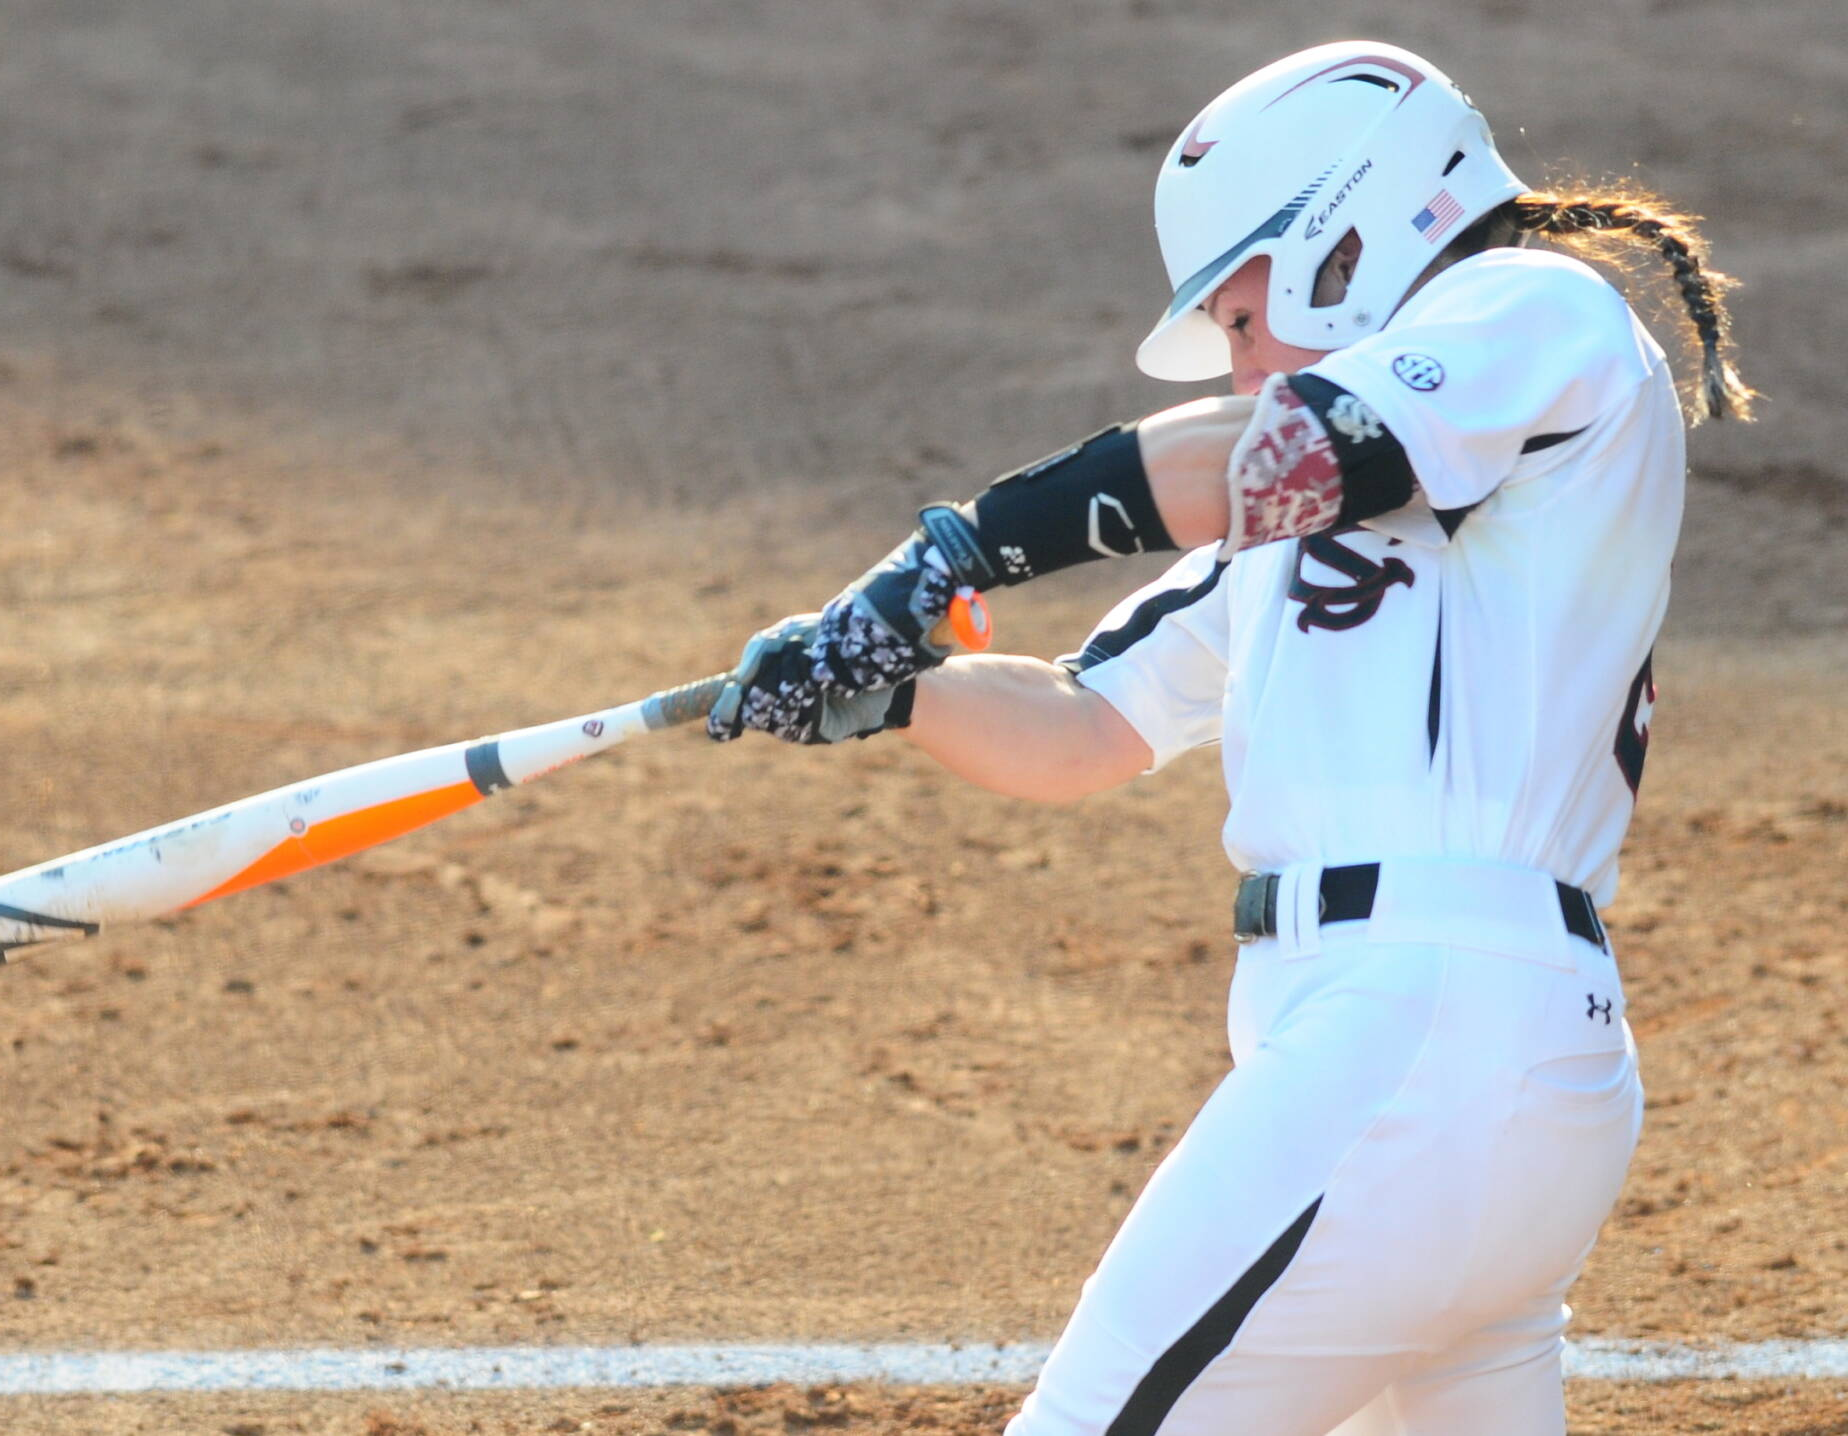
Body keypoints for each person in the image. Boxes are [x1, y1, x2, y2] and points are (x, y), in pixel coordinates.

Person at [705, 40, 1753, 1436]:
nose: (1238, 354)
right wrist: (892, 682)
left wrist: (958, 545)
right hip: (1472, 1078)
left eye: (1241, 310)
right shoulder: (1308, 526)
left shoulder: (1534, 312)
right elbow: (1084, 727)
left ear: (1352, 231)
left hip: (1415, 1040)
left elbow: (1256, 457)